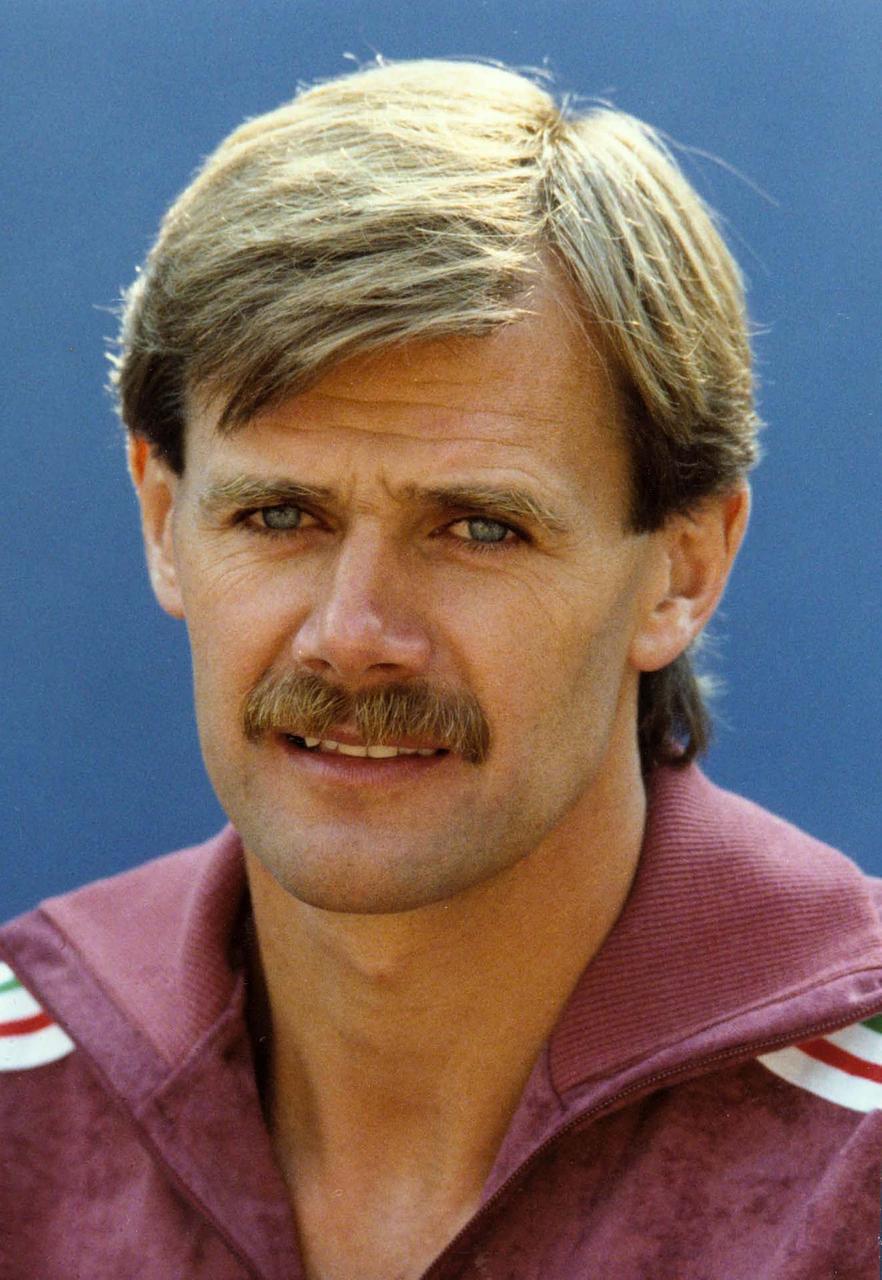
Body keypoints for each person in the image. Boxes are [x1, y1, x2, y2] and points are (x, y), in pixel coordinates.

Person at [1, 58, 880, 1280]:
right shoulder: (28, 1092)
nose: (353, 631)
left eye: (479, 527)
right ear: (163, 517)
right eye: (278, 515)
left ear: (682, 570)